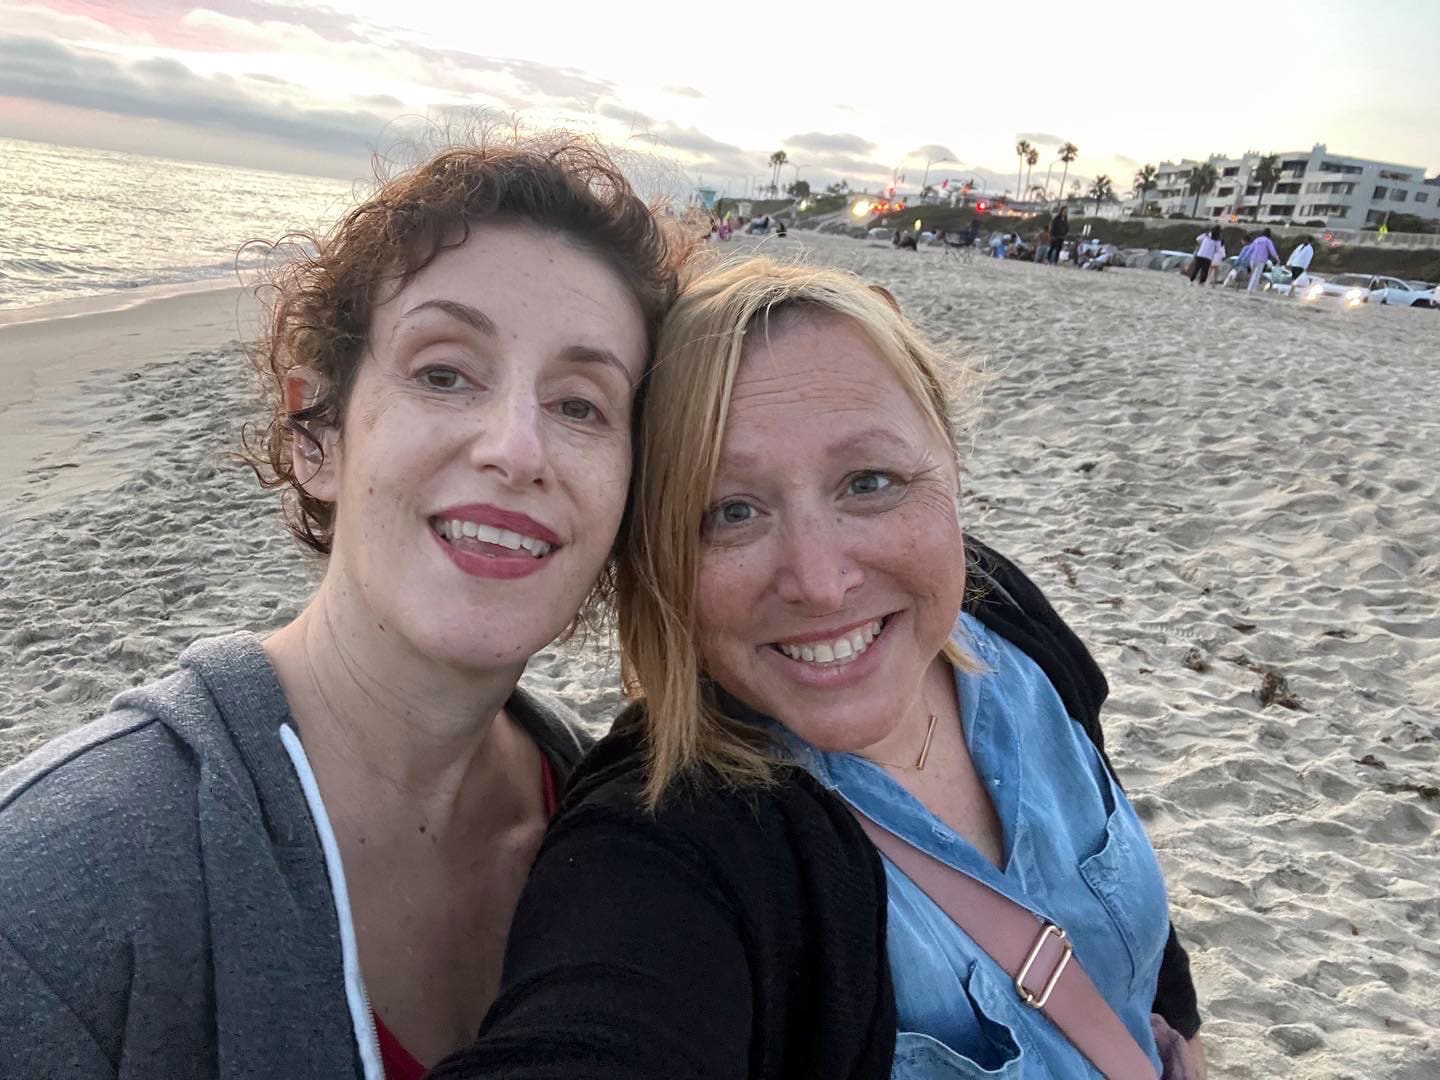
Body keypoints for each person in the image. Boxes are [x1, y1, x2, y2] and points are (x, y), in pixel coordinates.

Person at [0, 136, 680, 1078]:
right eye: (444, 373)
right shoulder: (57, 893)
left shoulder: (625, 834)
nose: (516, 448)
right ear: (316, 432)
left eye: (581, 405)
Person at [433, 259, 1206, 1080]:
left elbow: (1110, 868)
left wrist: (1178, 1031)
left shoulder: (1001, 613)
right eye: (731, 512)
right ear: (656, 558)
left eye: (869, 483)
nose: (821, 582)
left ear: (948, 468)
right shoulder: (676, 844)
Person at [1246, 227, 1280, 293]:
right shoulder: (1268, 241)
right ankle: (1251, 290)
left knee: (1253, 275)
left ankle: (1249, 288)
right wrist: (1277, 258)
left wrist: (1246, 257)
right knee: (1256, 275)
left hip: (1253, 259)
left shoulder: (1257, 239)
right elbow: (1272, 250)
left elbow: (1250, 249)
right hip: (1261, 260)